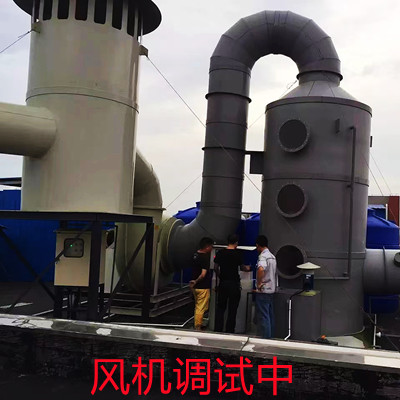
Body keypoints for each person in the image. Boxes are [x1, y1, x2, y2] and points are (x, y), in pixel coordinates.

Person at [214, 234, 251, 333]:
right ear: (236, 243)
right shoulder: (237, 254)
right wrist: (248, 268)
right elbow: (242, 267)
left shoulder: (220, 253)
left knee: (220, 308)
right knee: (232, 309)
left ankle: (218, 329)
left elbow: (215, 267)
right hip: (234, 284)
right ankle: (229, 330)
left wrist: (220, 276)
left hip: (223, 283)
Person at [254, 235, 277, 339]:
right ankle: (270, 337)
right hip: (271, 289)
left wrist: (259, 283)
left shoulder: (263, 257)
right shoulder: (272, 257)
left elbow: (261, 269)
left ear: (258, 245)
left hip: (263, 290)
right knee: (270, 315)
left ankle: (265, 338)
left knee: (263, 316)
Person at [189, 237, 214, 330]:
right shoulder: (205, 258)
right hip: (202, 286)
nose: (211, 248)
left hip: (194, 286)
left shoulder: (195, 255)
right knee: (201, 307)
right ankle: (198, 327)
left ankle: (198, 323)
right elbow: (203, 274)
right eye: (211, 246)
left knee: (198, 306)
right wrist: (196, 280)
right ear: (207, 247)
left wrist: (194, 282)